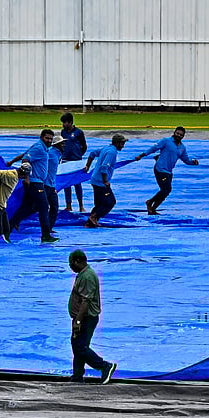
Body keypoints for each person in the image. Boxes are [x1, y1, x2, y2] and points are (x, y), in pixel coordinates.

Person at [67, 249, 116, 384]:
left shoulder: (87, 276)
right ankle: (77, 376)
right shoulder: (83, 274)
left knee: (81, 347)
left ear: (78, 261)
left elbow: (85, 301)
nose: (70, 267)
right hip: (81, 317)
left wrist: (78, 320)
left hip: (86, 318)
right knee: (77, 345)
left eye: (71, 264)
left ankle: (104, 366)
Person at [134, 126, 200, 215]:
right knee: (166, 189)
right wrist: (141, 155)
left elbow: (186, 159)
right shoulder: (166, 141)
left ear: (183, 136)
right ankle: (150, 202)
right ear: (174, 133)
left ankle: (153, 209)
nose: (178, 135)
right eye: (177, 133)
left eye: (181, 135)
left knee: (166, 191)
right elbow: (153, 149)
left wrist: (193, 162)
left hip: (169, 171)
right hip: (160, 169)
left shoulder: (182, 147)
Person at [9, 128, 58, 243]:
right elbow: (26, 159)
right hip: (35, 182)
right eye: (47, 138)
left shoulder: (44, 149)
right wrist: (26, 177)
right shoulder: (39, 147)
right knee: (43, 207)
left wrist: (11, 162)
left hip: (38, 182)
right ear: (42, 138)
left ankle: (9, 226)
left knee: (27, 207)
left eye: (51, 139)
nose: (49, 140)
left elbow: (25, 154)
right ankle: (45, 235)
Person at [84, 134, 127, 228]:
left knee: (99, 204)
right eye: (122, 144)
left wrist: (87, 166)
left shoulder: (106, 148)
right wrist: (105, 181)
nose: (123, 146)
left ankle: (89, 223)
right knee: (110, 202)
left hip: (94, 180)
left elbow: (92, 154)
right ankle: (94, 217)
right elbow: (104, 167)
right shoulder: (112, 152)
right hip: (100, 182)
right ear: (116, 143)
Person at [60, 112, 88, 212]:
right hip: (65, 161)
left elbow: (84, 146)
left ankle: (81, 206)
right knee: (66, 184)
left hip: (76, 161)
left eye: (65, 122)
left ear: (71, 122)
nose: (63, 125)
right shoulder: (63, 132)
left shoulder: (79, 132)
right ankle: (68, 205)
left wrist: (79, 156)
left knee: (77, 183)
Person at [45, 134, 65, 231]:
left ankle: (49, 227)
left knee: (54, 207)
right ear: (57, 144)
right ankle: (15, 221)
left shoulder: (57, 154)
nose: (64, 145)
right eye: (62, 143)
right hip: (45, 185)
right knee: (34, 207)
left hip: (51, 185)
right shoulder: (51, 153)